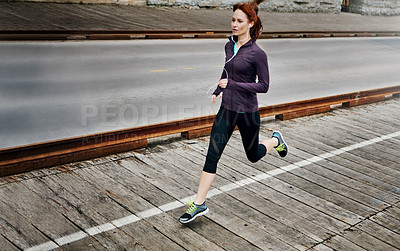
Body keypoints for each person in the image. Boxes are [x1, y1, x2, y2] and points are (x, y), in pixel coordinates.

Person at [179, 0, 288, 224]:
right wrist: (219, 89)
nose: (234, 24)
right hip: (226, 110)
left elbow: (264, 86)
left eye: (239, 21)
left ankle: (275, 140)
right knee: (212, 154)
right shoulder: (229, 45)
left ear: (251, 23)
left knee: (254, 155)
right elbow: (227, 69)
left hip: (247, 112)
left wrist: (233, 85)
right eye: (233, 20)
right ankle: (199, 203)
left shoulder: (258, 54)